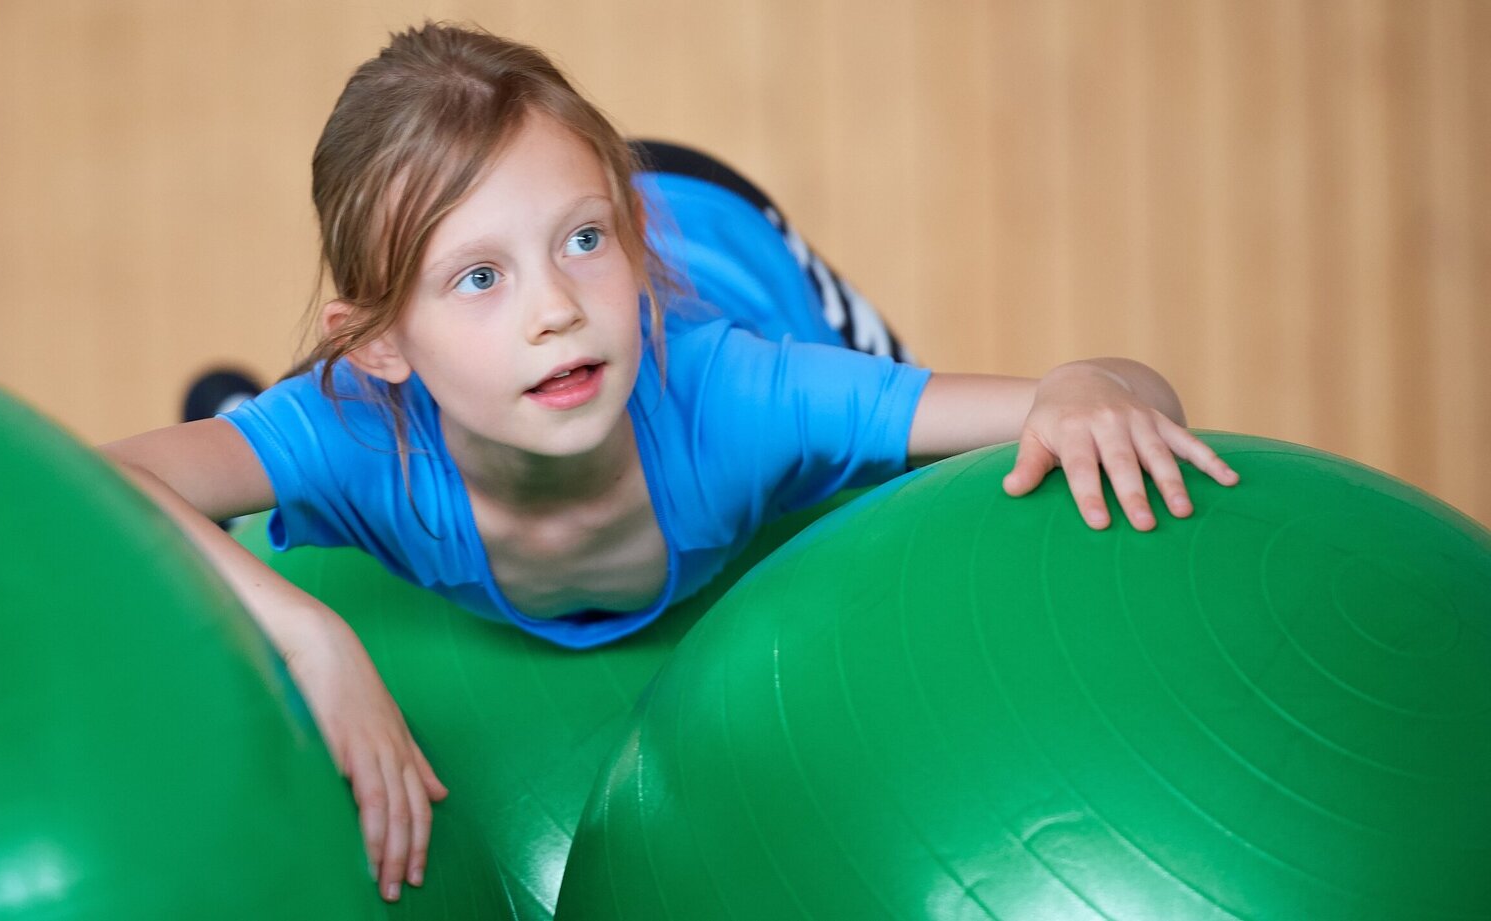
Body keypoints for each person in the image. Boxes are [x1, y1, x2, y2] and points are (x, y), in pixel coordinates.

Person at [101, 22, 1238, 904]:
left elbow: (1093, 398)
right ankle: (234, 410)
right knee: (257, 478)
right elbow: (97, 487)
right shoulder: (357, 425)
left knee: (915, 500)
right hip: (422, 353)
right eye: (480, 279)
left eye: (585, 244)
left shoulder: (745, 393)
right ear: (382, 339)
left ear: (628, 251)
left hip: (722, 232)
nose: (556, 309)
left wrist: (1103, 385)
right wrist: (315, 637)